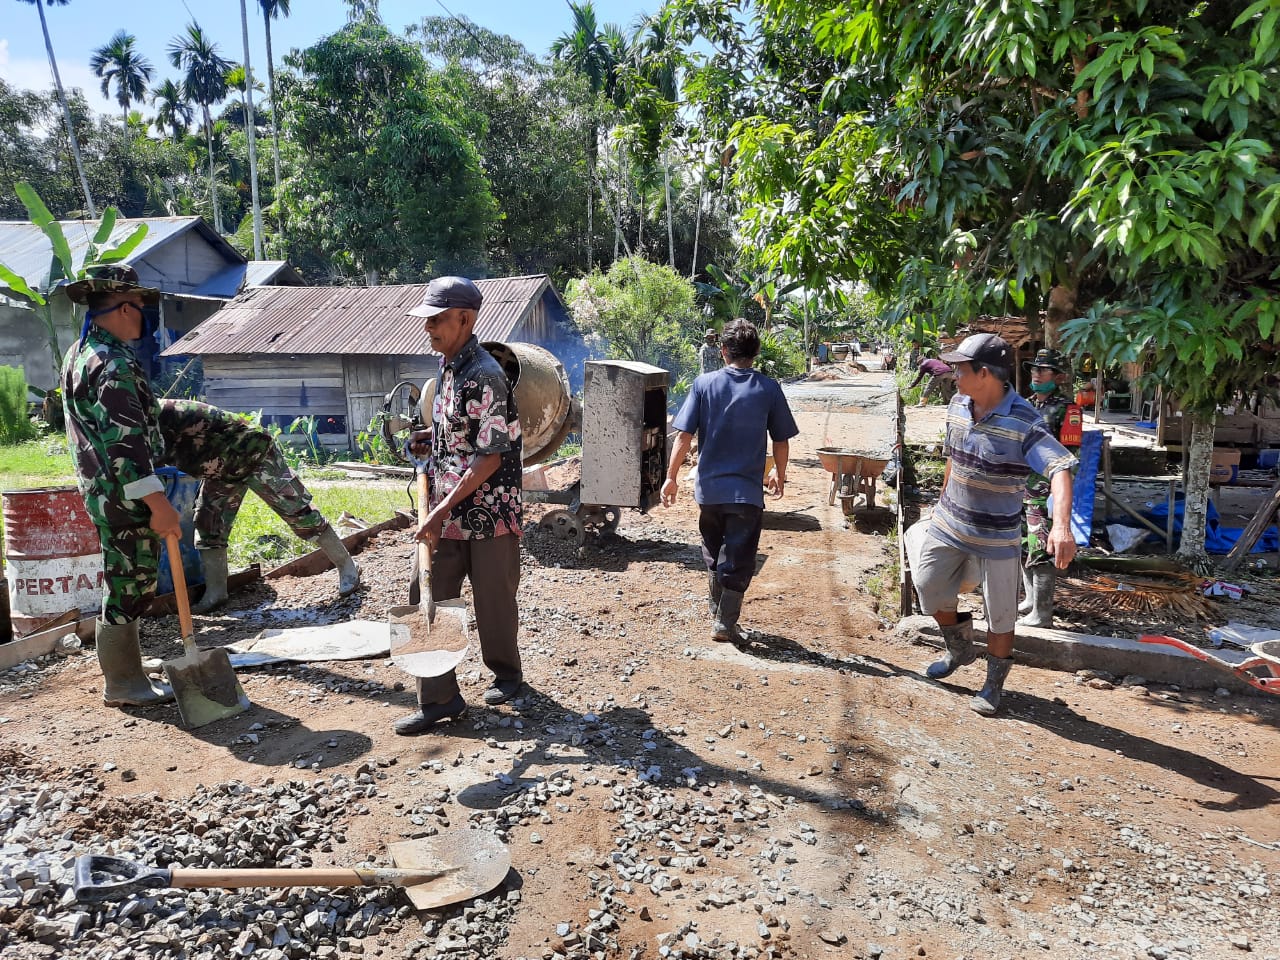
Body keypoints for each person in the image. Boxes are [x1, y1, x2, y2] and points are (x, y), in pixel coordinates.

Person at [61, 264, 360, 708]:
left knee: (294, 510)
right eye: (141, 308)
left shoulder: (79, 354)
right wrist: (158, 502)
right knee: (133, 583)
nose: (145, 317)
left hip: (238, 457)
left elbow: (127, 440)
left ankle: (346, 568)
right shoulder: (114, 365)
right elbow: (127, 445)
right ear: (124, 308)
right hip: (125, 493)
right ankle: (125, 682)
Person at [912, 333, 1077, 716]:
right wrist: (939, 503)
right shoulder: (956, 405)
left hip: (998, 534)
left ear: (984, 374)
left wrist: (1062, 526)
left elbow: (1060, 468)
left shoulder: (1024, 421)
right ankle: (960, 649)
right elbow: (953, 456)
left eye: (961, 369)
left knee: (1001, 615)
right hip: (949, 523)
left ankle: (993, 685)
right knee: (928, 589)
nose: (954, 375)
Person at [394, 276, 524, 736]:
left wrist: (436, 511)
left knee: (494, 601)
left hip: (489, 511)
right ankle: (440, 698)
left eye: (436, 319)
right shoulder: (448, 368)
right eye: (426, 319)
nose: (427, 328)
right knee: (425, 595)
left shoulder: (484, 375)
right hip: (448, 510)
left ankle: (508, 675)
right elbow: (462, 435)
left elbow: (490, 457)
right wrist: (431, 440)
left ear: (465, 319)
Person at [662, 318, 799, 643]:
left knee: (713, 548)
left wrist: (671, 477)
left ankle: (718, 613)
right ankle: (724, 622)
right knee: (739, 557)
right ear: (757, 352)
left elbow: (683, 436)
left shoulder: (704, 384)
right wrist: (779, 474)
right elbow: (781, 441)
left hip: (708, 491)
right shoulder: (768, 388)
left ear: (723, 351)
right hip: (745, 495)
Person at [157, 399, 360, 613]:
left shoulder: (155, 415)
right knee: (208, 523)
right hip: (218, 467)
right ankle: (216, 593)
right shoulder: (135, 423)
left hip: (252, 451)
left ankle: (347, 567)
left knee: (299, 512)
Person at [1018, 348, 1079, 627]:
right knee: (1022, 541)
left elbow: (1068, 457)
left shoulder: (1069, 409)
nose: (1037, 373)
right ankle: (1030, 600)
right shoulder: (1025, 404)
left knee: (1040, 541)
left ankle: (1042, 614)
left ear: (1058, 376)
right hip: (1020, 483)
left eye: (1044, 370)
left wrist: (1059, 492)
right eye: (1034, 369)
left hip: (1045, 486)